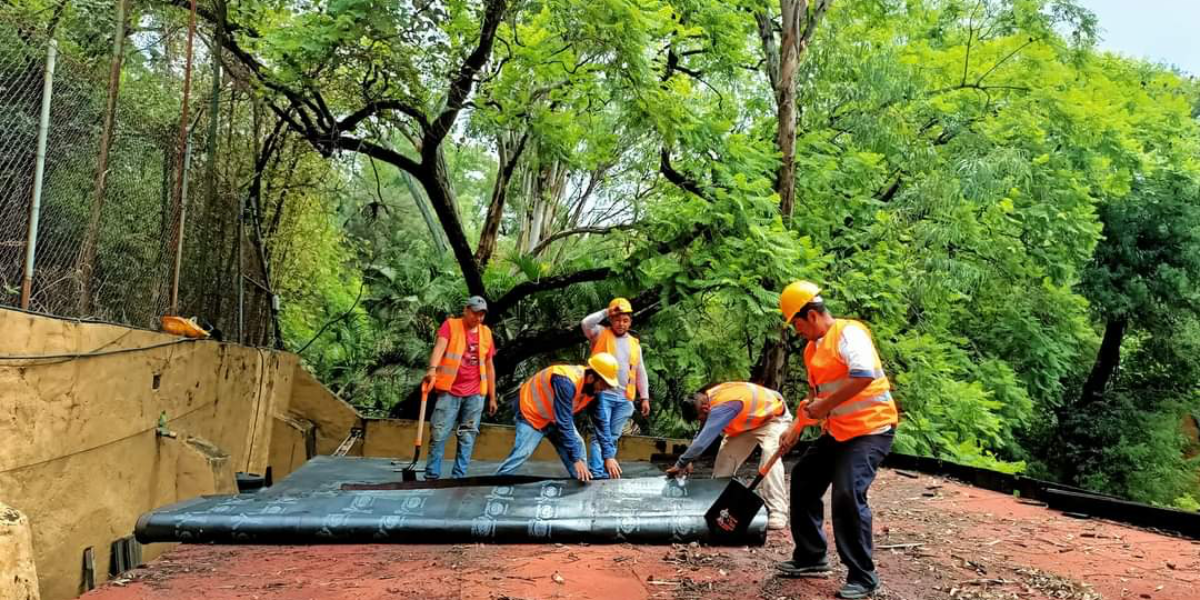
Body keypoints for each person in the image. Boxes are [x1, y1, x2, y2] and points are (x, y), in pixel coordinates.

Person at [774, 280, 899, 600]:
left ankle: (863, 576)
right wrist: (796, 428)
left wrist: (824, 407)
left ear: (811, 316)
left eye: (796, 324)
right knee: (803, 478)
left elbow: (864, 375)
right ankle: (812, 555)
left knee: (847, 493)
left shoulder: (848, 333)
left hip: (871, 430)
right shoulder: (812, 348)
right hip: (840, 431)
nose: (796, 330)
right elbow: (816, 398)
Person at [665, 382, 793, 530]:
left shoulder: (724, 406)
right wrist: (689, 460)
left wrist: (680, 464)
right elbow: (703, 430)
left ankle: (778, 511)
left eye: (700, 418)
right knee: (724, 462)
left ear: (705, 409)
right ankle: (722, 507)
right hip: (746, 425)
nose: (701, 422)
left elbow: (702, 443)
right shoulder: (708, 398)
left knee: (770, 456)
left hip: (772, 419)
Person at [495, 353, 623, 481]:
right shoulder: (565, 381)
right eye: (603, 385)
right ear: (591, 378)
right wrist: (576, 459)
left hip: (554, 418)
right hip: (531, 414)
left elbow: (601, 423)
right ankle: (495, 484)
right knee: (522, 453)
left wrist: (608, 456)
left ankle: (582, 484)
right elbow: (564, 422)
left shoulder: (595, 391)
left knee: (577, 446)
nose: (604, 390)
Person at [421, 296, 498, 480]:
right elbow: (439, 349)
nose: (478, 318)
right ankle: (432, 476)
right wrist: (432, 370)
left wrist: (492, 396)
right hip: (450, 391)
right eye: (475, 313)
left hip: (475, 394)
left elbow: (489, 365)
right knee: (439, 433)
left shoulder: (486, 333)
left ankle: (459, 477)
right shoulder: (451, 325)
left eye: (481, 315)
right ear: (466, 310)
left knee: (467, 436)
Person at [580, 297, 650, 479]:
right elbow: (585, 323)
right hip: (603, 394)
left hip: (625, 397)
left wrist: (645, 397)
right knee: (599, 434)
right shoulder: (600, 333)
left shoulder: (634, 343)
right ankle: (596, 472)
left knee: (612, 435)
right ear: (611, 319)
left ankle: (607, 469)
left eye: (625, 320)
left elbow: (640, 370)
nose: (621, 324)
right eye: (617, 319)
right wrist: (605, 311)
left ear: (630, 321)